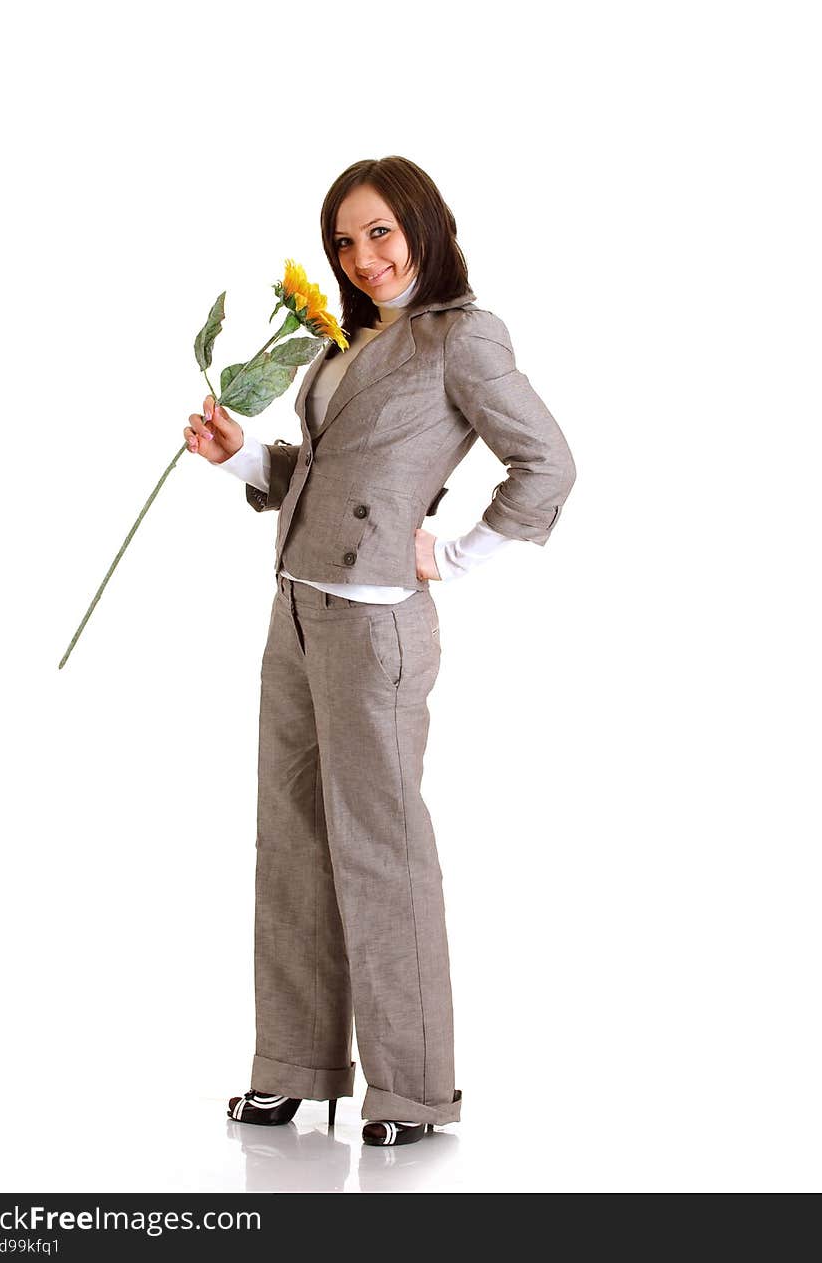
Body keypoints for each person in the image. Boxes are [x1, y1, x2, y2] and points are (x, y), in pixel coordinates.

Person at [184, 156, 577, 1147]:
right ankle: (293, 1066)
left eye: (380, 233)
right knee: (292, 841)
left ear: (422, 226)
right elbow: (317, 473)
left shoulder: (461, 336)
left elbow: (547, 461)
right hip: (297, 611)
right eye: (346, 241)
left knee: (382, 850)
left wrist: (456, 552)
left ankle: (410, 1089)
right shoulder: (344, 345)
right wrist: (240, 456)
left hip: (375, 627)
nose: (363, 257)